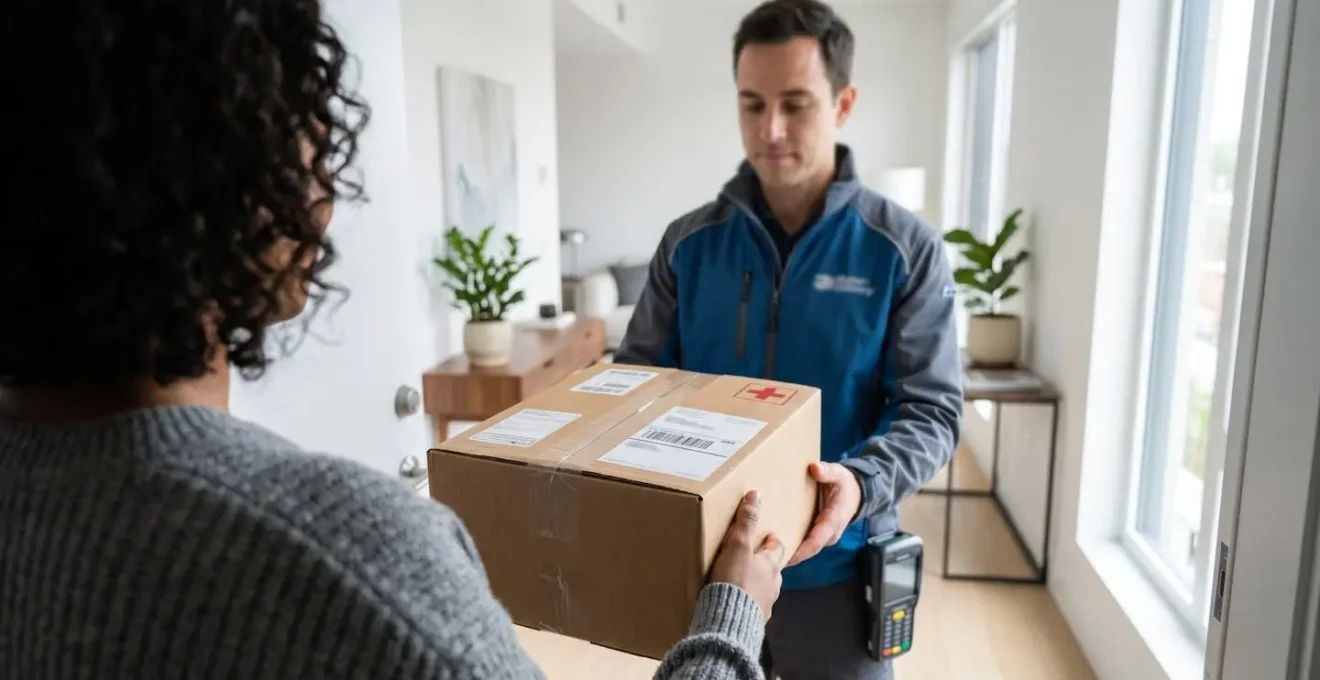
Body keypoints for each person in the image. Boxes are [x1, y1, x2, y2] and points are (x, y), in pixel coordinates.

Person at [0, 1, 786, 678]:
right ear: (220, 167)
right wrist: (729, 619)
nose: (326, 194)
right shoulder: (346, 556)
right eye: (301, 130)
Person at [615, 1, 964, 678]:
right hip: (708, 569)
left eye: (796, 104)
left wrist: (862, 485)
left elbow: (934, 412)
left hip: (835, 569)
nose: (769, 129)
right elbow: (636, 384)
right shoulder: (689, 244)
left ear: (844, 102)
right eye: (752, 104)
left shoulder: (904, 250)